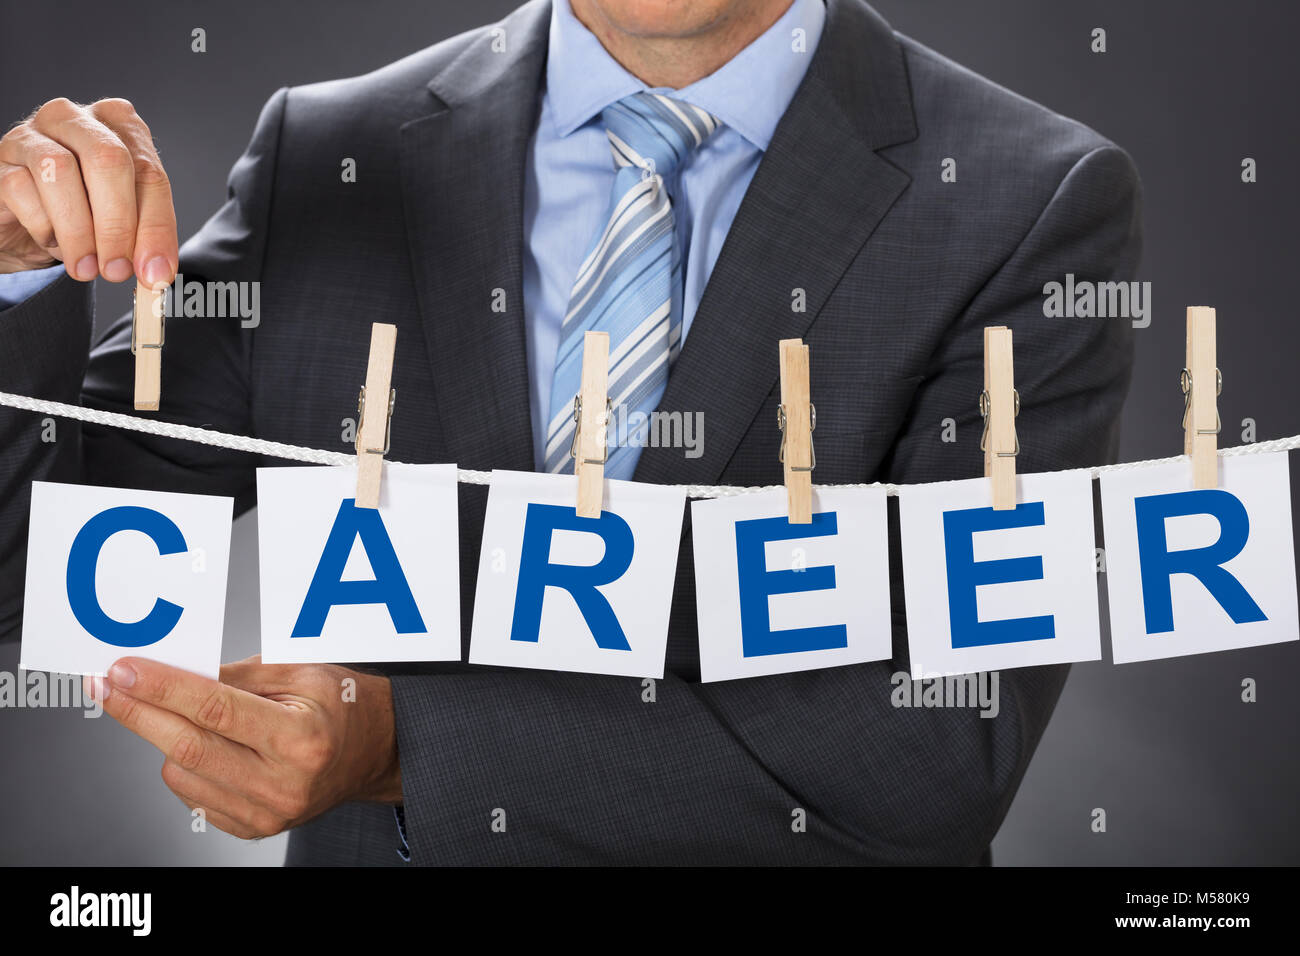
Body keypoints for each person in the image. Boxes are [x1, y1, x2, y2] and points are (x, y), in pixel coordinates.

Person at [0, 0, 1141, 864]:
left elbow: (943, 740)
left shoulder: (1024, 200)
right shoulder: (328, 153)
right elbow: (39, 572)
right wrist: (9, 279)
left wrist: (412, 750)